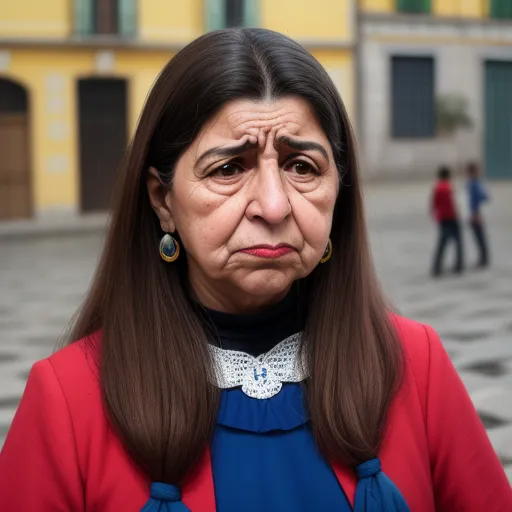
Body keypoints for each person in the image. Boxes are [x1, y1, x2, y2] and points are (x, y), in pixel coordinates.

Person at [0, 29, 510, 512]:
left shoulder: (415, 368)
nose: (273, 205)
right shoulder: (67, 400)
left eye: (302, 167)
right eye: (229, 168)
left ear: (340, 190)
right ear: (163, 200)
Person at [430, 166, 464, 277]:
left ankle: (437, 267)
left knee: (442, 244)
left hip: (442, 218)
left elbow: (433, 204)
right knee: (458, 242)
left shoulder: (437, 188)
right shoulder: (450, 187)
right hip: (452, 217)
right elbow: (455, 202)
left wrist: (434, 215)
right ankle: (459, 265)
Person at [466, 161, 490, 268]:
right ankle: (484, 258)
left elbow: (481, 197)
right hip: (476, 213)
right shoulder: (475, 184)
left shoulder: (472, 184)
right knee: (480, 238)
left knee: (479, 238)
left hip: (474, 213)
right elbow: (484, 197)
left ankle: (483, 259)